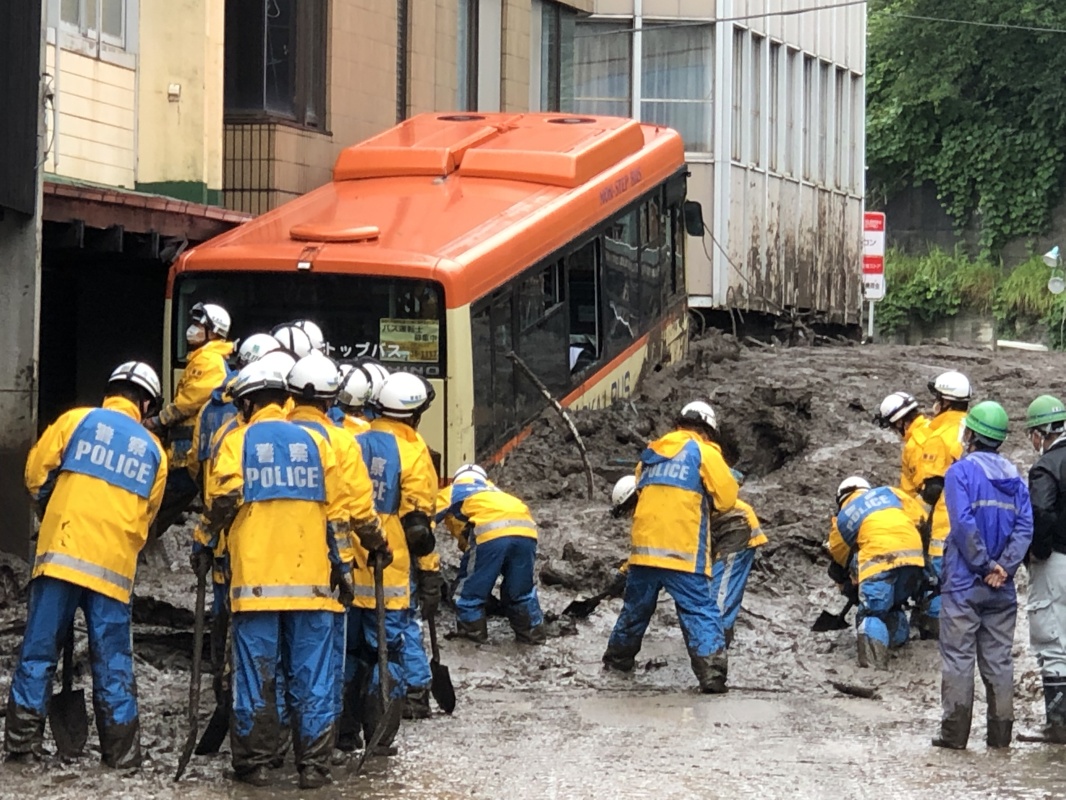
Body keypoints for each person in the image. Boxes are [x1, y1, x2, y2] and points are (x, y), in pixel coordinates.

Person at [200, 356, 352, 788]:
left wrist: (204, 538)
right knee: (313, 676)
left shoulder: (238, 441)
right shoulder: (317, 443)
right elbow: (337, 515)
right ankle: (313, 767)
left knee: (256, 674)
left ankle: (256, 764)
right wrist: (342, 567)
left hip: (256, 583)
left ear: (246, 404)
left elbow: (224, 495)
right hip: (313, 585)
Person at [6, 362, 167, 766]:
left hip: (60, 557)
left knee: (39, 651)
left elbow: (33, 475)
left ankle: (22, 748)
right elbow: (147, 519)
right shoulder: (153, 451)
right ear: (146, 404)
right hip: (111, 573)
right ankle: (122, 754)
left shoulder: (75, 421)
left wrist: (54, 508)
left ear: (110, 389)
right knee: (113, 662)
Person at [286, 352, 391, 751]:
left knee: (276, 661)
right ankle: (320, 747)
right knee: (321, 663)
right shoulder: (343, 443)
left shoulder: (272, 435)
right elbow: (359, 511)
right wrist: (376, 545)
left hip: (271, 565)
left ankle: (273, 748)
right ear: (332, 401)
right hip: (328, 571)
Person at [602, 401, 739, 693]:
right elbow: (727, 499)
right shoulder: (703, 452)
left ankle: (617, 661)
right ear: (706, 430)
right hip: (683, 552)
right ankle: (711, 675)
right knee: (699, 609)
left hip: (644, 552)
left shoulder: (651, 453)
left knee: (635, 608)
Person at [934, 401, 1032, 750]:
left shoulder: (959, 472)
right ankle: (1000, 737)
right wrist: (1005, 567)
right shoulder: (1016, 478)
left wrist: (984, 565)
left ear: (972, 434)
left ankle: (954, 736)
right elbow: (1025, 528)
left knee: (959, 658)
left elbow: (962, 524)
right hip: (1002, 588)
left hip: (965, 582)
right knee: (999, 660)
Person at [350, 371, 438, 750]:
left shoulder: (355, 439)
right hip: (390, 567)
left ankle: (343, 731)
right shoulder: (414, 449)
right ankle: (383, 733)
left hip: (349, 567)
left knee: (349, 652)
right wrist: (431, 571)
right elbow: (418, 526)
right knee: (393, 649)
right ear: (415, 415)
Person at [146, 301, 234, 535]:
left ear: (214, 331)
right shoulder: (202, 358)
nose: (192, 329)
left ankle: (140, 537)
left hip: (191, 450)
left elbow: (190, 400)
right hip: (186, 448)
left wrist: (160, 420)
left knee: (166, 497)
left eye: (198, 324)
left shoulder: (209, 361)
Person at [437, 463, 546, 645]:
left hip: (490, 534)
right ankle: (533, 637)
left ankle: (472, 641)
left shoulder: (452, 490)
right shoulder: (495, 492)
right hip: (527, 533)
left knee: (469, 594)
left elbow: (424, 518)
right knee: (520, 591)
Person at [828, 477, 926, 669]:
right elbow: (922, 519)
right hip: (914, 556)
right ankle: (899, 647)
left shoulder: (843, 518)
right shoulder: (891, 492)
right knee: (895, 604)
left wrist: (851, 582)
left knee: (872, 612)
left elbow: (839, 558)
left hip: (878, 560)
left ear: (841, 499)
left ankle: (874, 667)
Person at [914, 370, 972, 640]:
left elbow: (933, 487)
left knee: (939, 582)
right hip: (974, 520)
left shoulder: (939, 436)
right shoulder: (973, 429)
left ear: (945, 401)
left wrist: (915, 520)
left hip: (945, 523)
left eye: (937, 397)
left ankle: (938, 632)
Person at [1024, 395, 1066, 743]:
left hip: (1056, 563)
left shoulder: (1047, 467)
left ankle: (1058, 724)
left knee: (1052, 639)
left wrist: (1037, 551)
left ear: (1042, 432)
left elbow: (1041, 512)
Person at [709, 470, 768, 648]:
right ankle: (719, 632)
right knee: (721, 582)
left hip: (737, 526)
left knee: (722, 585)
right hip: (727, 525)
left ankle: (717, 637)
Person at [875, 391, 930, 499]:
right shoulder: (931, 426)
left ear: (899, 422)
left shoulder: (914, 445)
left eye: (893, 427)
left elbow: (924, 488)